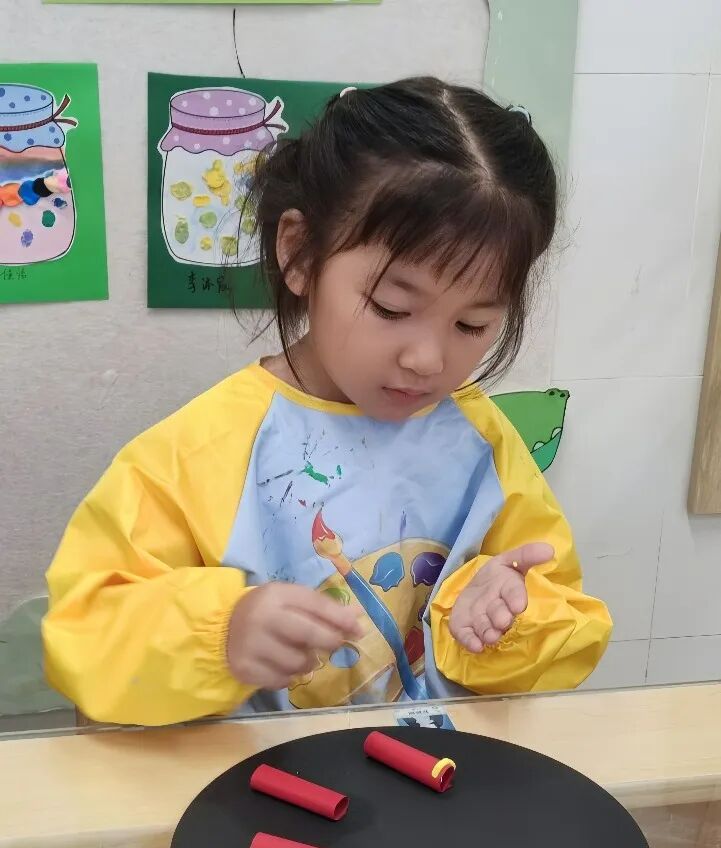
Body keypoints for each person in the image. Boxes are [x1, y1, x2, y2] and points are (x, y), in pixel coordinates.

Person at [43, 77, 612, 726]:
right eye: (391, 307)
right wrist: (220, 632)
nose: (427, 359)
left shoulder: (478, 437)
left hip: (435, 772)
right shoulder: (199, 452)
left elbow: (561, 614)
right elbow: (84, 633)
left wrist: (509, 616)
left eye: (471, 324)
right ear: (299, 254)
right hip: (257, 779)